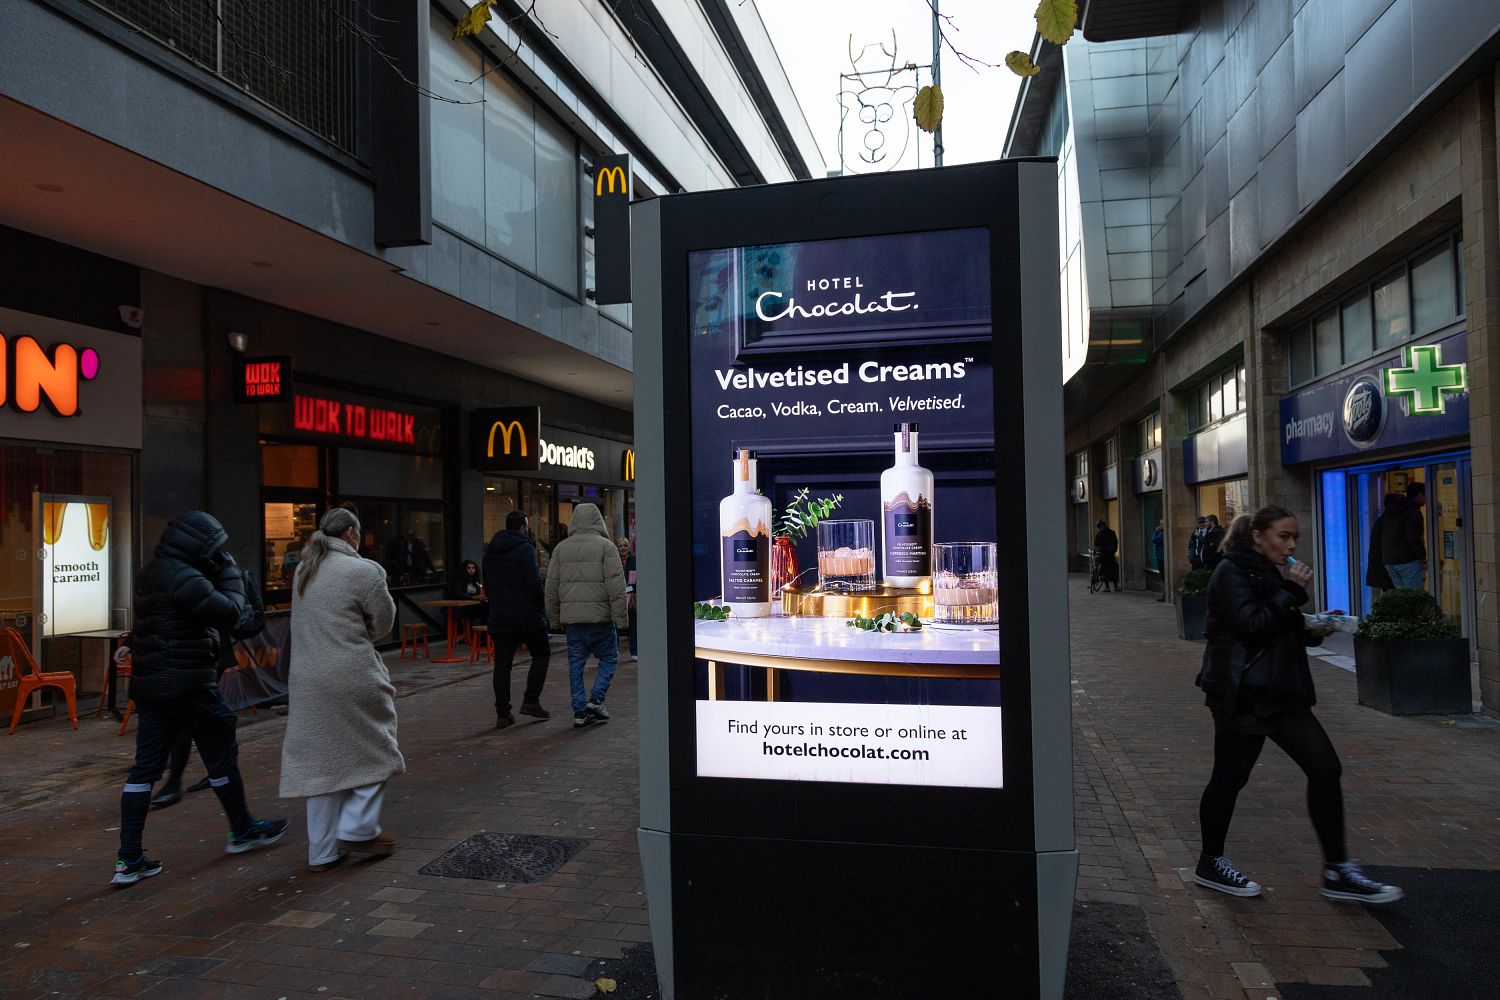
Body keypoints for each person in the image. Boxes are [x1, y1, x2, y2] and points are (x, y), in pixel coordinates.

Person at [1192, 506, 1402, 904]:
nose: (1290, 545)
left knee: (1325, 768)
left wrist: (1313, 629)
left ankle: (1337, 869)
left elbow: (1278, 625)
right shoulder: (1230, 572)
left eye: (1295, 538)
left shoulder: (1267, 571)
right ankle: (1211, 861)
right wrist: (1291, 590)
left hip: (1281, 692)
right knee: (1230, 778)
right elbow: (1251, 626)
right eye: (1283, 536)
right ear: (1258, 535)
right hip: (1243, 695)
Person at [112, 512, 288, 886]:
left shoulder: (153, 571)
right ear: (199, 546)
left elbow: (154, 624)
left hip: (153, 687)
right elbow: (231, 613)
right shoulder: (185, 577)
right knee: (220, 750)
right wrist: (229, 573)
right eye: (215, 548)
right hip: (189, 683)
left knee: (144, 770)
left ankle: (128, 859)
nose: (219, 553)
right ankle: (241, 831)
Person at [281, 507, 403, 873]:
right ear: (351, 532)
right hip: (351, 673)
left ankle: (322, 851)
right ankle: (358, 826)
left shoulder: (305, 569)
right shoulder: (364, 571)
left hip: (306, 678)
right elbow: (383, 624)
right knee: (377, 747)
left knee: (321, 763)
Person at [149, 569, 267, 810]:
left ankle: (178, 783)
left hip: (206, 654)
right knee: (203, 718)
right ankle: (211, 775)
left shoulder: (208, 572)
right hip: (191, 655)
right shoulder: (187, 571)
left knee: (192, 719)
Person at [545, 503, 629, 729]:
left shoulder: (561, 549)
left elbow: (551, 588)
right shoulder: (606, 547)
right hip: (601, 619)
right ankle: (597, 700)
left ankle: (580, 712)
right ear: (598, 521)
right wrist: (622, 620)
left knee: (575, 666)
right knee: (609, 658)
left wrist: (554, 620)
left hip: (573, 622)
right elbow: (616, 587)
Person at [483, 511, 552, 729]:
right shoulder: (524, 549)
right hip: (526, 615)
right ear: (523, 527)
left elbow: (488, 584)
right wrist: (543, 607)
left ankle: (503, 713)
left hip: (500, 615)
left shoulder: (490, 552)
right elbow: (533, 583)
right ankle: (531, 700)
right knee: (541, 653)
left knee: (502, 665)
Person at [1381, 482, 1427, 590]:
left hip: (1389, 560)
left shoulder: (1393, 509)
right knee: (1414, 598)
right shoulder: (1413, 511)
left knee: (1403, 599)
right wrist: (1422, 556)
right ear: (1419, 495)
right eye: (1425, 495)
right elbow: (1413, 537)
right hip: (1408, 561)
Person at [1365, 499, 1396, 596]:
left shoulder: (1381, 521)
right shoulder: (1388, 523)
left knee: (1388, 594)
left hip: (1381, 566)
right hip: (1386, 566)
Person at [617, 537, 637, 662]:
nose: (623, 548)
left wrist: (630, 591)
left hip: (631, 597)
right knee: (616, 626)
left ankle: (634, 651)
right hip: (618, 597)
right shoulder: (613, 561)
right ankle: (614, 651)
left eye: (625, 545)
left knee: (633, 626)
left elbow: (635, 579)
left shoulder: (633, 560)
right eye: (620, 546)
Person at [457, 558, 487, 630]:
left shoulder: (476, 581)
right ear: (464, 569)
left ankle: (483, 635)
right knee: (484, 611)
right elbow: (459, 594)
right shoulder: (460, 581)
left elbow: (479, 593)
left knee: (487, 609)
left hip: (474, 607)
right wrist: (474, 597)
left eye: (473, 568)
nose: (471, 570)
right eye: (469, 568)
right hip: (463, 608)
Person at [1092, 519, 1120, 592]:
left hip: (1104, 554)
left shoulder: (1099, 534)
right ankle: (1116, 586)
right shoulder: (1112, 532)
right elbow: (1116, 542)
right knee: (1113, 569)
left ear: (1099, 526)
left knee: (1104, 570)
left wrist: (1095, 552)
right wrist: (1114, 550)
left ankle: (1107, 587)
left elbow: (1096, 545)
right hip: (1111, 554)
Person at [1152, 519, 1166, 602]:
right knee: (1163, 578)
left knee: (1164, 577)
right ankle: (1165, 594)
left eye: (1161, 524)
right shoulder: (1161, 533)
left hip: (1162, 558)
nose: (1159, 526)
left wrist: (1156, 531)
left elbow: (1153, 540)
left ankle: (1165, 595)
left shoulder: (1162, 534)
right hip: (1160, 557)